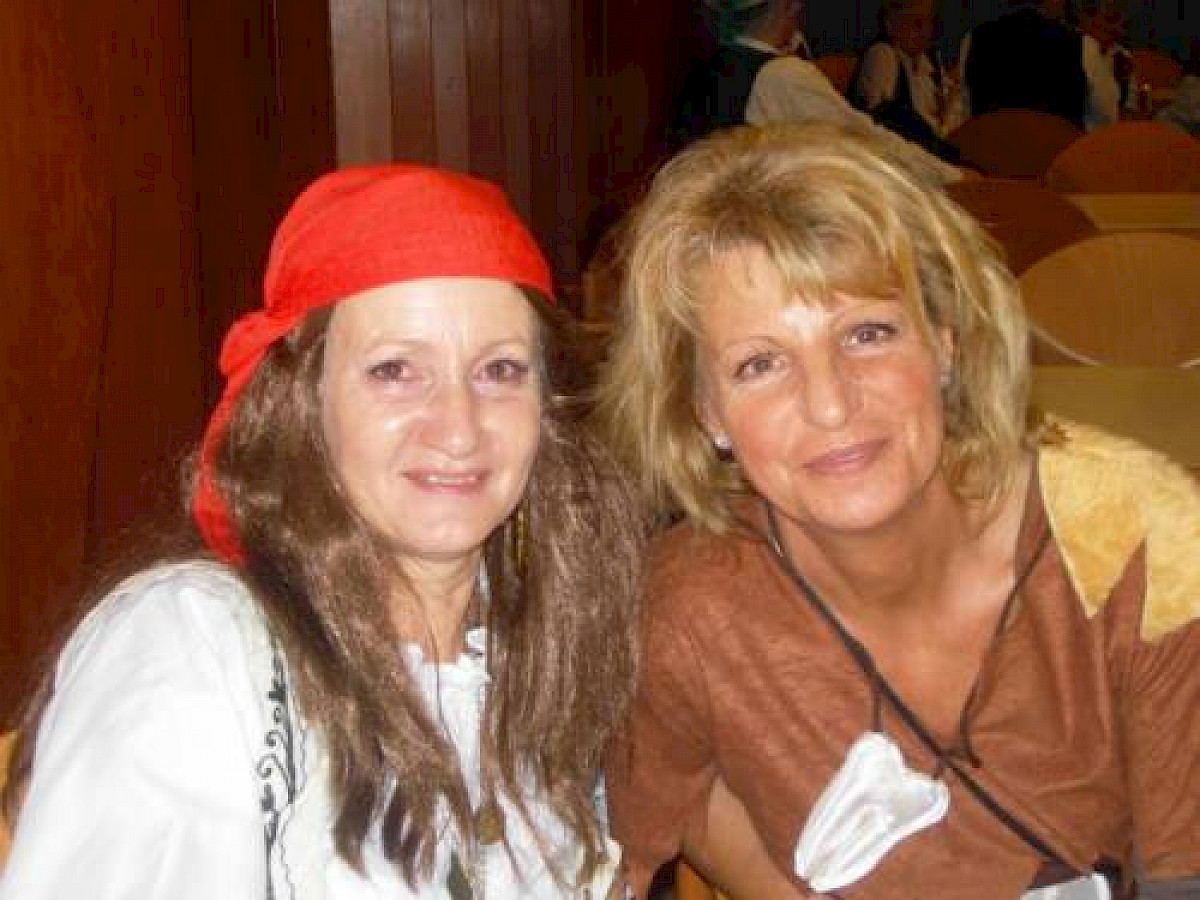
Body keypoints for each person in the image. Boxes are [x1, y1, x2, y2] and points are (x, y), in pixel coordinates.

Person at [0, 164, 644, 898]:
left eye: (499, 370)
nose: (459, 429)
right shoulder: (195, 648)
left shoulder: (541, 648)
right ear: (303, 403)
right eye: (395, 371)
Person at [596, 122, 1200, 898]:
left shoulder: (1131, 555)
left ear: (946, 344)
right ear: (705, 412)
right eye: (761, 363)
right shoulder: (684, 613)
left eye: (868, 333)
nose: (830, 403)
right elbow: (645, 828)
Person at [669, 0, 963, 184]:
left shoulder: (710, 67)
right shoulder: (780, 75)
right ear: (790, 6)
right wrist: (954, 177)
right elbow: (867, 142)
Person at [850, 0, 966, 159]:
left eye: (929, 23)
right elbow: (882, 118)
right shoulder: (883, 55)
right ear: (891, 24)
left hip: (930, 150)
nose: (925, 32)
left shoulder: (929, 61)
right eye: (916, 24)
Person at [961, 0, 1089, 129]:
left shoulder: (974, 40)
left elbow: (965, 116)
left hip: (992, 138)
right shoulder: (1080, 45)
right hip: (1060, 140)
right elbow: (1099, 121)